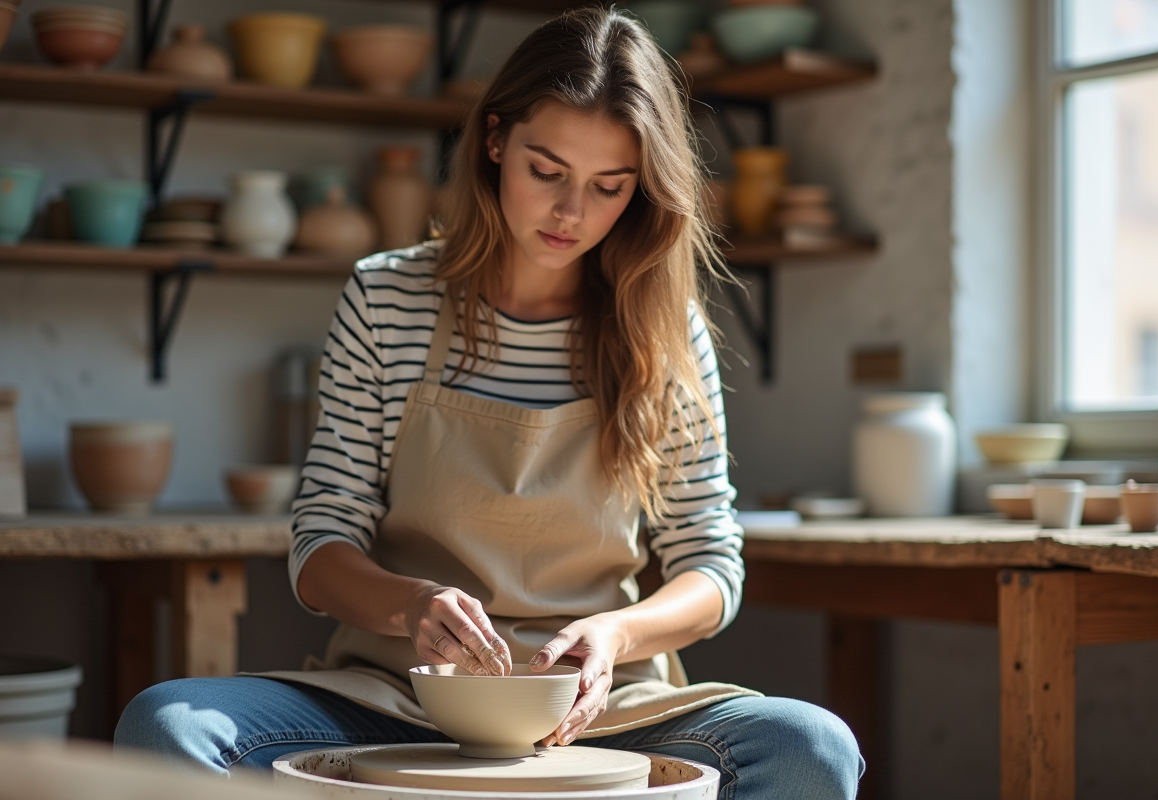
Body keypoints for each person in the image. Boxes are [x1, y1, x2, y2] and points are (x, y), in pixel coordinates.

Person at [115, 8, 863, 798]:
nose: (571, 212)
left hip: (604, 703)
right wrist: (412, 606)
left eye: (609, 187)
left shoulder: (663, 329)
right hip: (401, 694)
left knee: (809, 747)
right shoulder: (386, 297)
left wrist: (617, 632)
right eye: (547, 171)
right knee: (167, 724)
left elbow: (711, 564)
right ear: (497, 140)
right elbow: (321, 543)